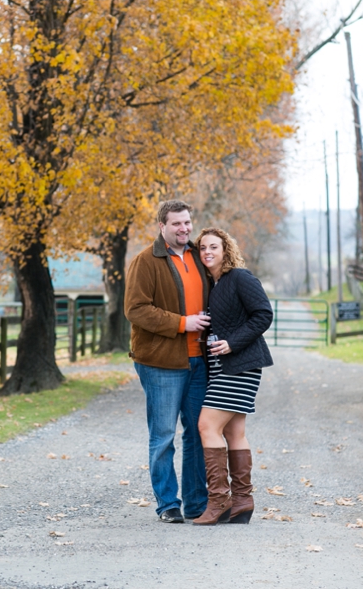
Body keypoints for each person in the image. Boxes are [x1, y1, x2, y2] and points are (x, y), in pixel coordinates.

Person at [124, 200, 211, 523]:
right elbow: (135, 309)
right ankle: (167, 504)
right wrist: (181, 323)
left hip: (198, 361)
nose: (184, 229)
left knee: (199, 433)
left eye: (187, 222)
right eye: (176, 224)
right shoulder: (145, 262)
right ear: (162, 226)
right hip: (161, 363)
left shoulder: (198, 257)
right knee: (163, 436)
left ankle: (196, 503)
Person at [191, 227, 273, 526]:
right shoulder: (212, 284)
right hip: (221, 367)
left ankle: (219, 501)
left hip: (241, 365)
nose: (208, 252)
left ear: (226, 249)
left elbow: (263, 314)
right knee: (233, 432)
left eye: (214, 246)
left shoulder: (240, 277)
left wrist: (233, 342)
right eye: (202, 248)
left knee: (206, 425)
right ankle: (242, 501)